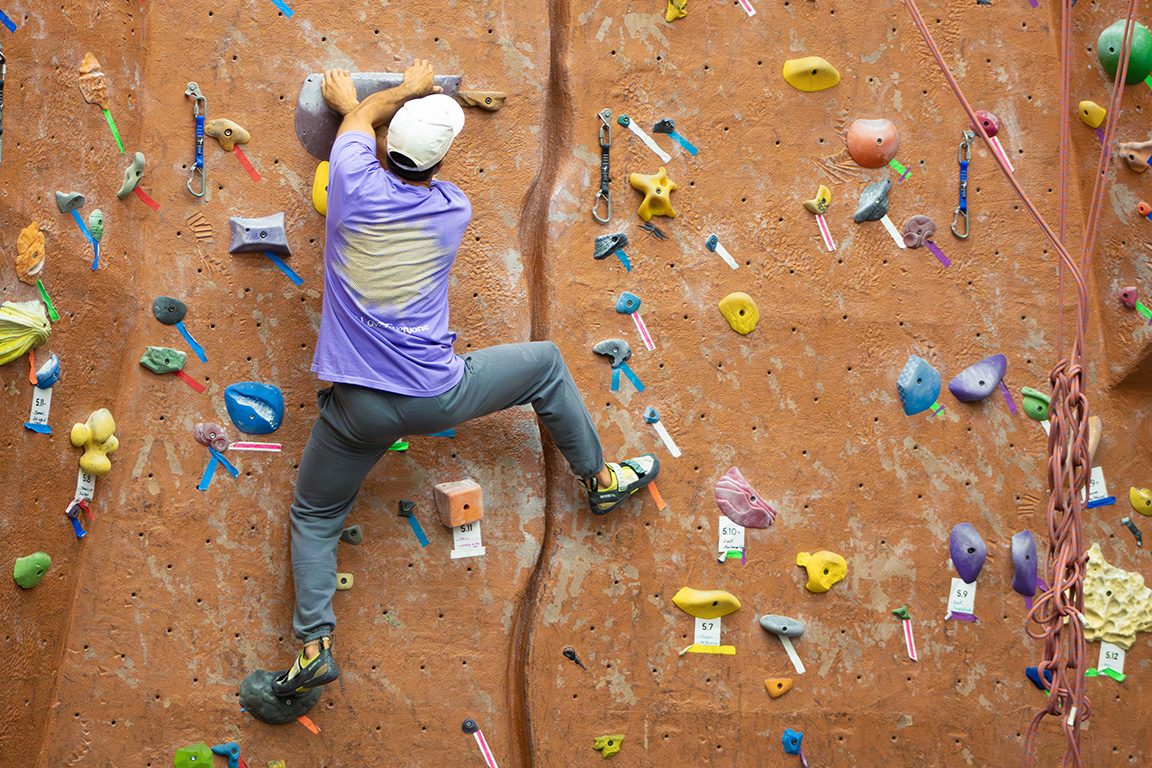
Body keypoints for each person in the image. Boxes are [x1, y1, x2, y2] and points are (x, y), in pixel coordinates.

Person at [270, 61, 660, 695]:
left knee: (314, 516)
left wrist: (369, 101)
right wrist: (417, 97)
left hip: (357, 408)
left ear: (379, 148)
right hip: (437, 394)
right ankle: (600, 478)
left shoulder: (348, 184)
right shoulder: (451, 208)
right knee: (547, 365)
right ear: (438, 165)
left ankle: (314, 645)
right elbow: (381, 141)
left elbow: (360, 120)